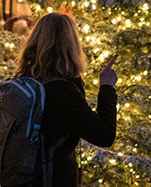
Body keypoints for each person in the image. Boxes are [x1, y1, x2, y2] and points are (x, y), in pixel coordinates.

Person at [12, 12, 118, 187]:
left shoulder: (23, 82)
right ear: (71, 45)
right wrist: (107, 87)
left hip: (20, 178)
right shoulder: (62, 92)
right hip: (51, 178)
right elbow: (104, 135)